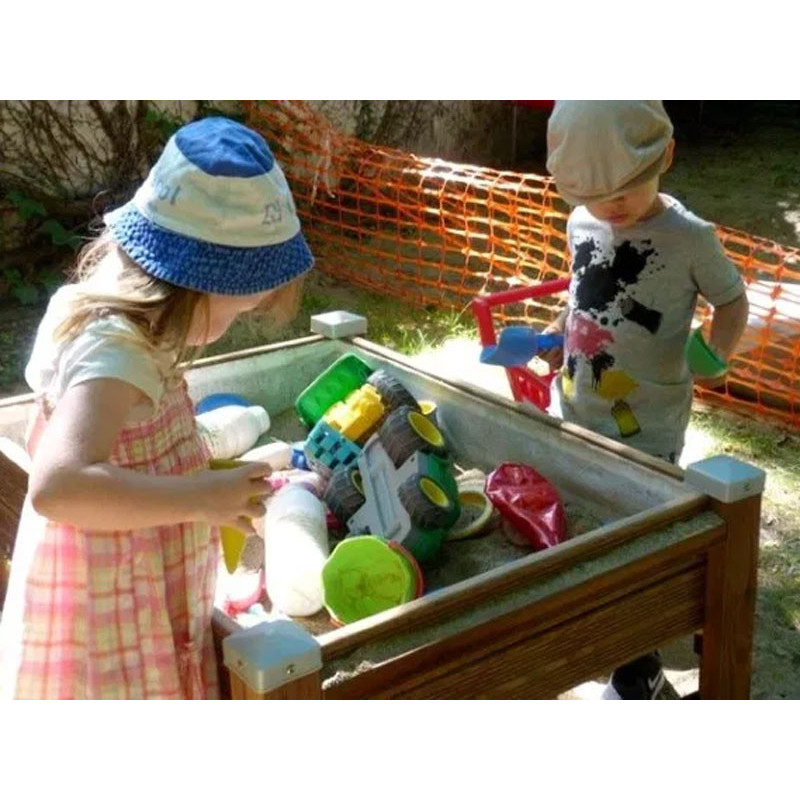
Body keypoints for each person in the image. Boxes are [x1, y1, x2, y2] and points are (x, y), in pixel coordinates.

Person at [0, 116, 314, 699]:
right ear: (186, 286)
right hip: (110, 606)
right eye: (233, 312)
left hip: (131, 576)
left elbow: (124, 439)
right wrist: (198, 496)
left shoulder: (115, 316)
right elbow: (59, 486)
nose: (227, 328)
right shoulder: (118, 350)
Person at [542, 101, 749, 698]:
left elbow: (732, 303)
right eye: (594, 193)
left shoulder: (689, 238)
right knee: (588, 527)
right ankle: (608, 636)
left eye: (626, 189)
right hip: (578, 405)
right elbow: (582, 291)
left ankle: (640, 665)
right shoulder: (582, 221)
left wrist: (716, 354)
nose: (610, 206)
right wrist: (560, 336)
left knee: (638, 541)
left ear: (667, 156)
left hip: (647, 424)